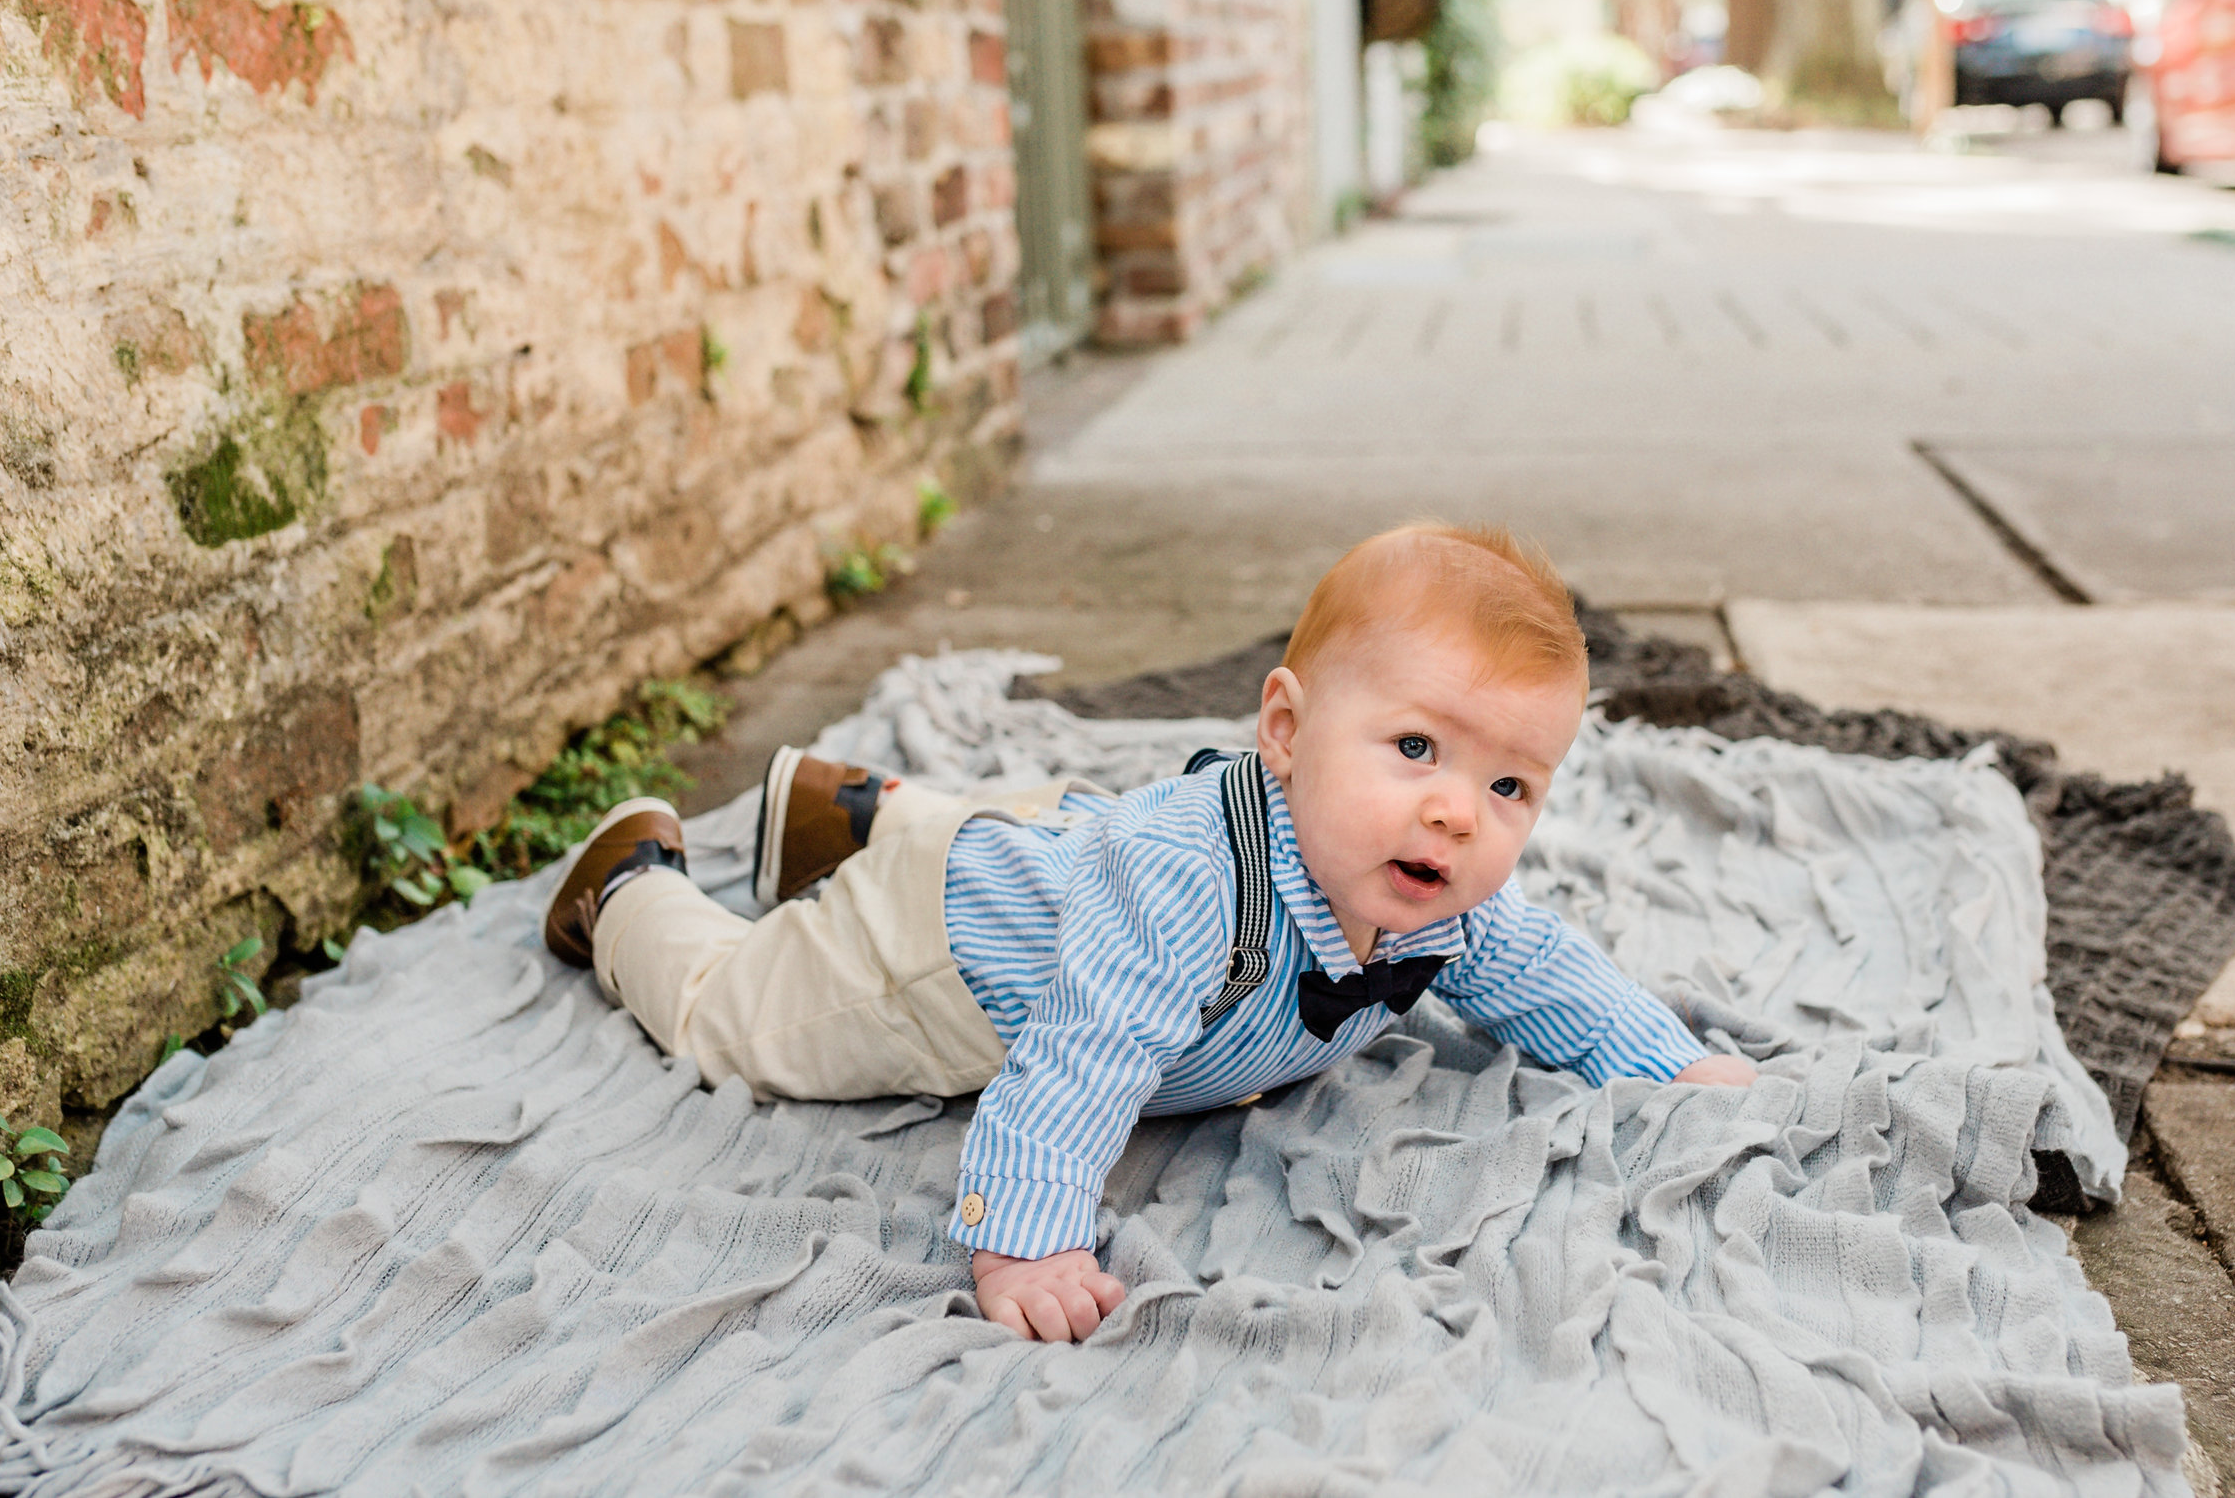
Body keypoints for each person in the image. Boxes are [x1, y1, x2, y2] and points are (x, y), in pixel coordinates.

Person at [544, 522, 1758, 1344]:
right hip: (949, 957)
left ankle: (853, 811)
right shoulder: (1186, 890)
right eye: (1415, 747)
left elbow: (1546, 972)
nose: (1457, 809)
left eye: (1511, 788)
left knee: (1053, 840)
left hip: (1061, 852)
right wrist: (1024, 1243)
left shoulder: (1435, 888)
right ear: (1283, 730)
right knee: (742, 1022)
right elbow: (1079, 1062)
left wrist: (1665, 1059)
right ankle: (631, 883)